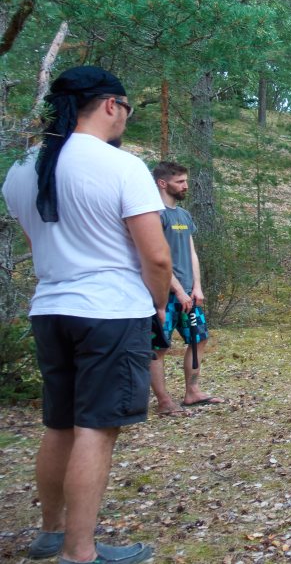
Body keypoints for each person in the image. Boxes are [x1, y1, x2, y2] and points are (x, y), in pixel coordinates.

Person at [2, 66, 169, 564]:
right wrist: (158, 305)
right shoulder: (121, 166)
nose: (126, 118)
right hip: (110, 312)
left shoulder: (23, 167)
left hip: (50, 308)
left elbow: (38, 243)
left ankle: (51, 532)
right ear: (111, 104)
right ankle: (80, 551)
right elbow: (156, 257)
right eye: (127, 108)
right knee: (95, 429)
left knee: (59, 425)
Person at [149, 161, 223, 415]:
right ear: (162, 183)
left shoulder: (183, 215)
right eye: (180, 181)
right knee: (158, 347)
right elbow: (155, 258)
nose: (186, 186)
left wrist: (196, 287)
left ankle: (192, 392)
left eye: (186, 180)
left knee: (198, 338)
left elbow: (191, 253)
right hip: (163, 294)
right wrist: (178, 291)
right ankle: (164, 401)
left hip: (190, 294)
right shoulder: (154, 215)